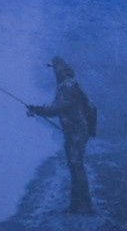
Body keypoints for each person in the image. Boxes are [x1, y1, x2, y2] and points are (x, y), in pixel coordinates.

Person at [28, 56, 97, 214]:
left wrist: (37, 109)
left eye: (55, 67)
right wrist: (38, 109)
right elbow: (63, 108)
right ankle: (76, 206)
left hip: (76, 132)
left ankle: (85, 206)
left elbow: (58, 108)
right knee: (74, 166)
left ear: (62, 68)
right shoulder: (69, 84)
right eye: (53, 68)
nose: (54, 71)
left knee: (76, 165)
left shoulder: (67, 86)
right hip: (74, 131)